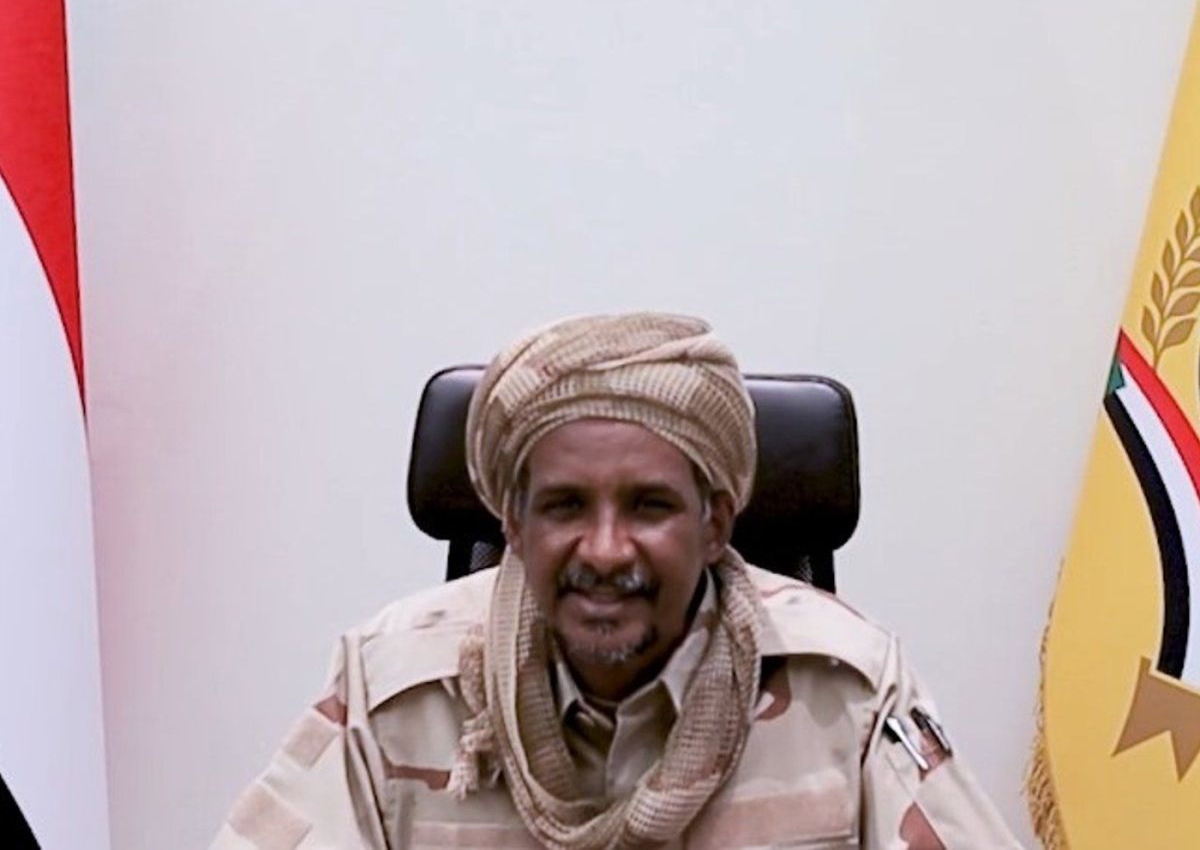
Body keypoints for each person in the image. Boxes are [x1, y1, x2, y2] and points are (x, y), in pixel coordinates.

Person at [213, 312, 1020, 849]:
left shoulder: (848, 685)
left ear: (715, 523)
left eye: (648, 506)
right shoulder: (392, 687)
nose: (604, 550)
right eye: (565, 506)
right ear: (514, 525)